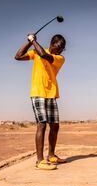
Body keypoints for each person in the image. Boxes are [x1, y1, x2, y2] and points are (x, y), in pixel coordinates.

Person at [15, 33, 67, 170]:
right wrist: (29, 42)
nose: (61, 50)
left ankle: (51, 155)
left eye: (63, 48)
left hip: (51, 93)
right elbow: (18, 56)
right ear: (52, 43)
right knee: (42, 125)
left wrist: (33, 41)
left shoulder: (59, 58)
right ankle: (40, 160)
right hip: (38, 93)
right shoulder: (36, 51)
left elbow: (44, 55)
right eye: (59, 46)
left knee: (55, 126)